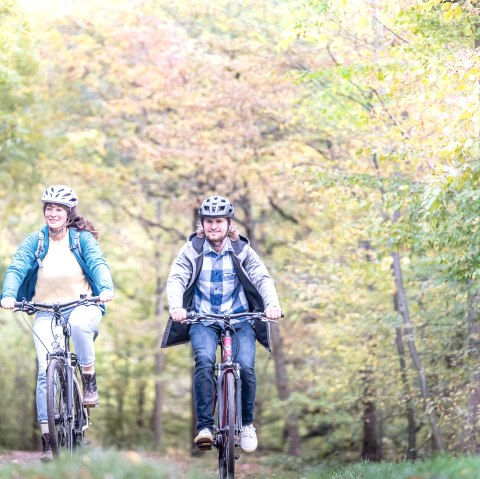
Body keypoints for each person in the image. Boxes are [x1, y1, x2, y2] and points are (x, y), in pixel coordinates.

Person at [0, 185, 114, 460]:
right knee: (43, 372)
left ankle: (88, 380)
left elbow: (98, 263)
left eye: (58, 209)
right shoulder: (35, 241)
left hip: (83, 305)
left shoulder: (81, 239)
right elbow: (17, 267)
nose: (52, 213)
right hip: (44, 311)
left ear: (68, 213)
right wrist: (8, 295)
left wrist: (106, 288)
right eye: (48, 208)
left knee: (78, 325)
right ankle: (49, 439)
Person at [161, 195, 282, 453]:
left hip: (239, 319)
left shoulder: (242, 250)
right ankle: (205, 427)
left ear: (229, 224)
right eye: (208, 222)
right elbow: (177, 279)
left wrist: (271, 304)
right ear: (201, 225)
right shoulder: (191, 250)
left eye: (219, 221)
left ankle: (247, 424)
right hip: (203, 319)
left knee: (247, 367)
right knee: (204, 360)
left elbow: (262, 278)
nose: (213, 226)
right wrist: (176, 307)